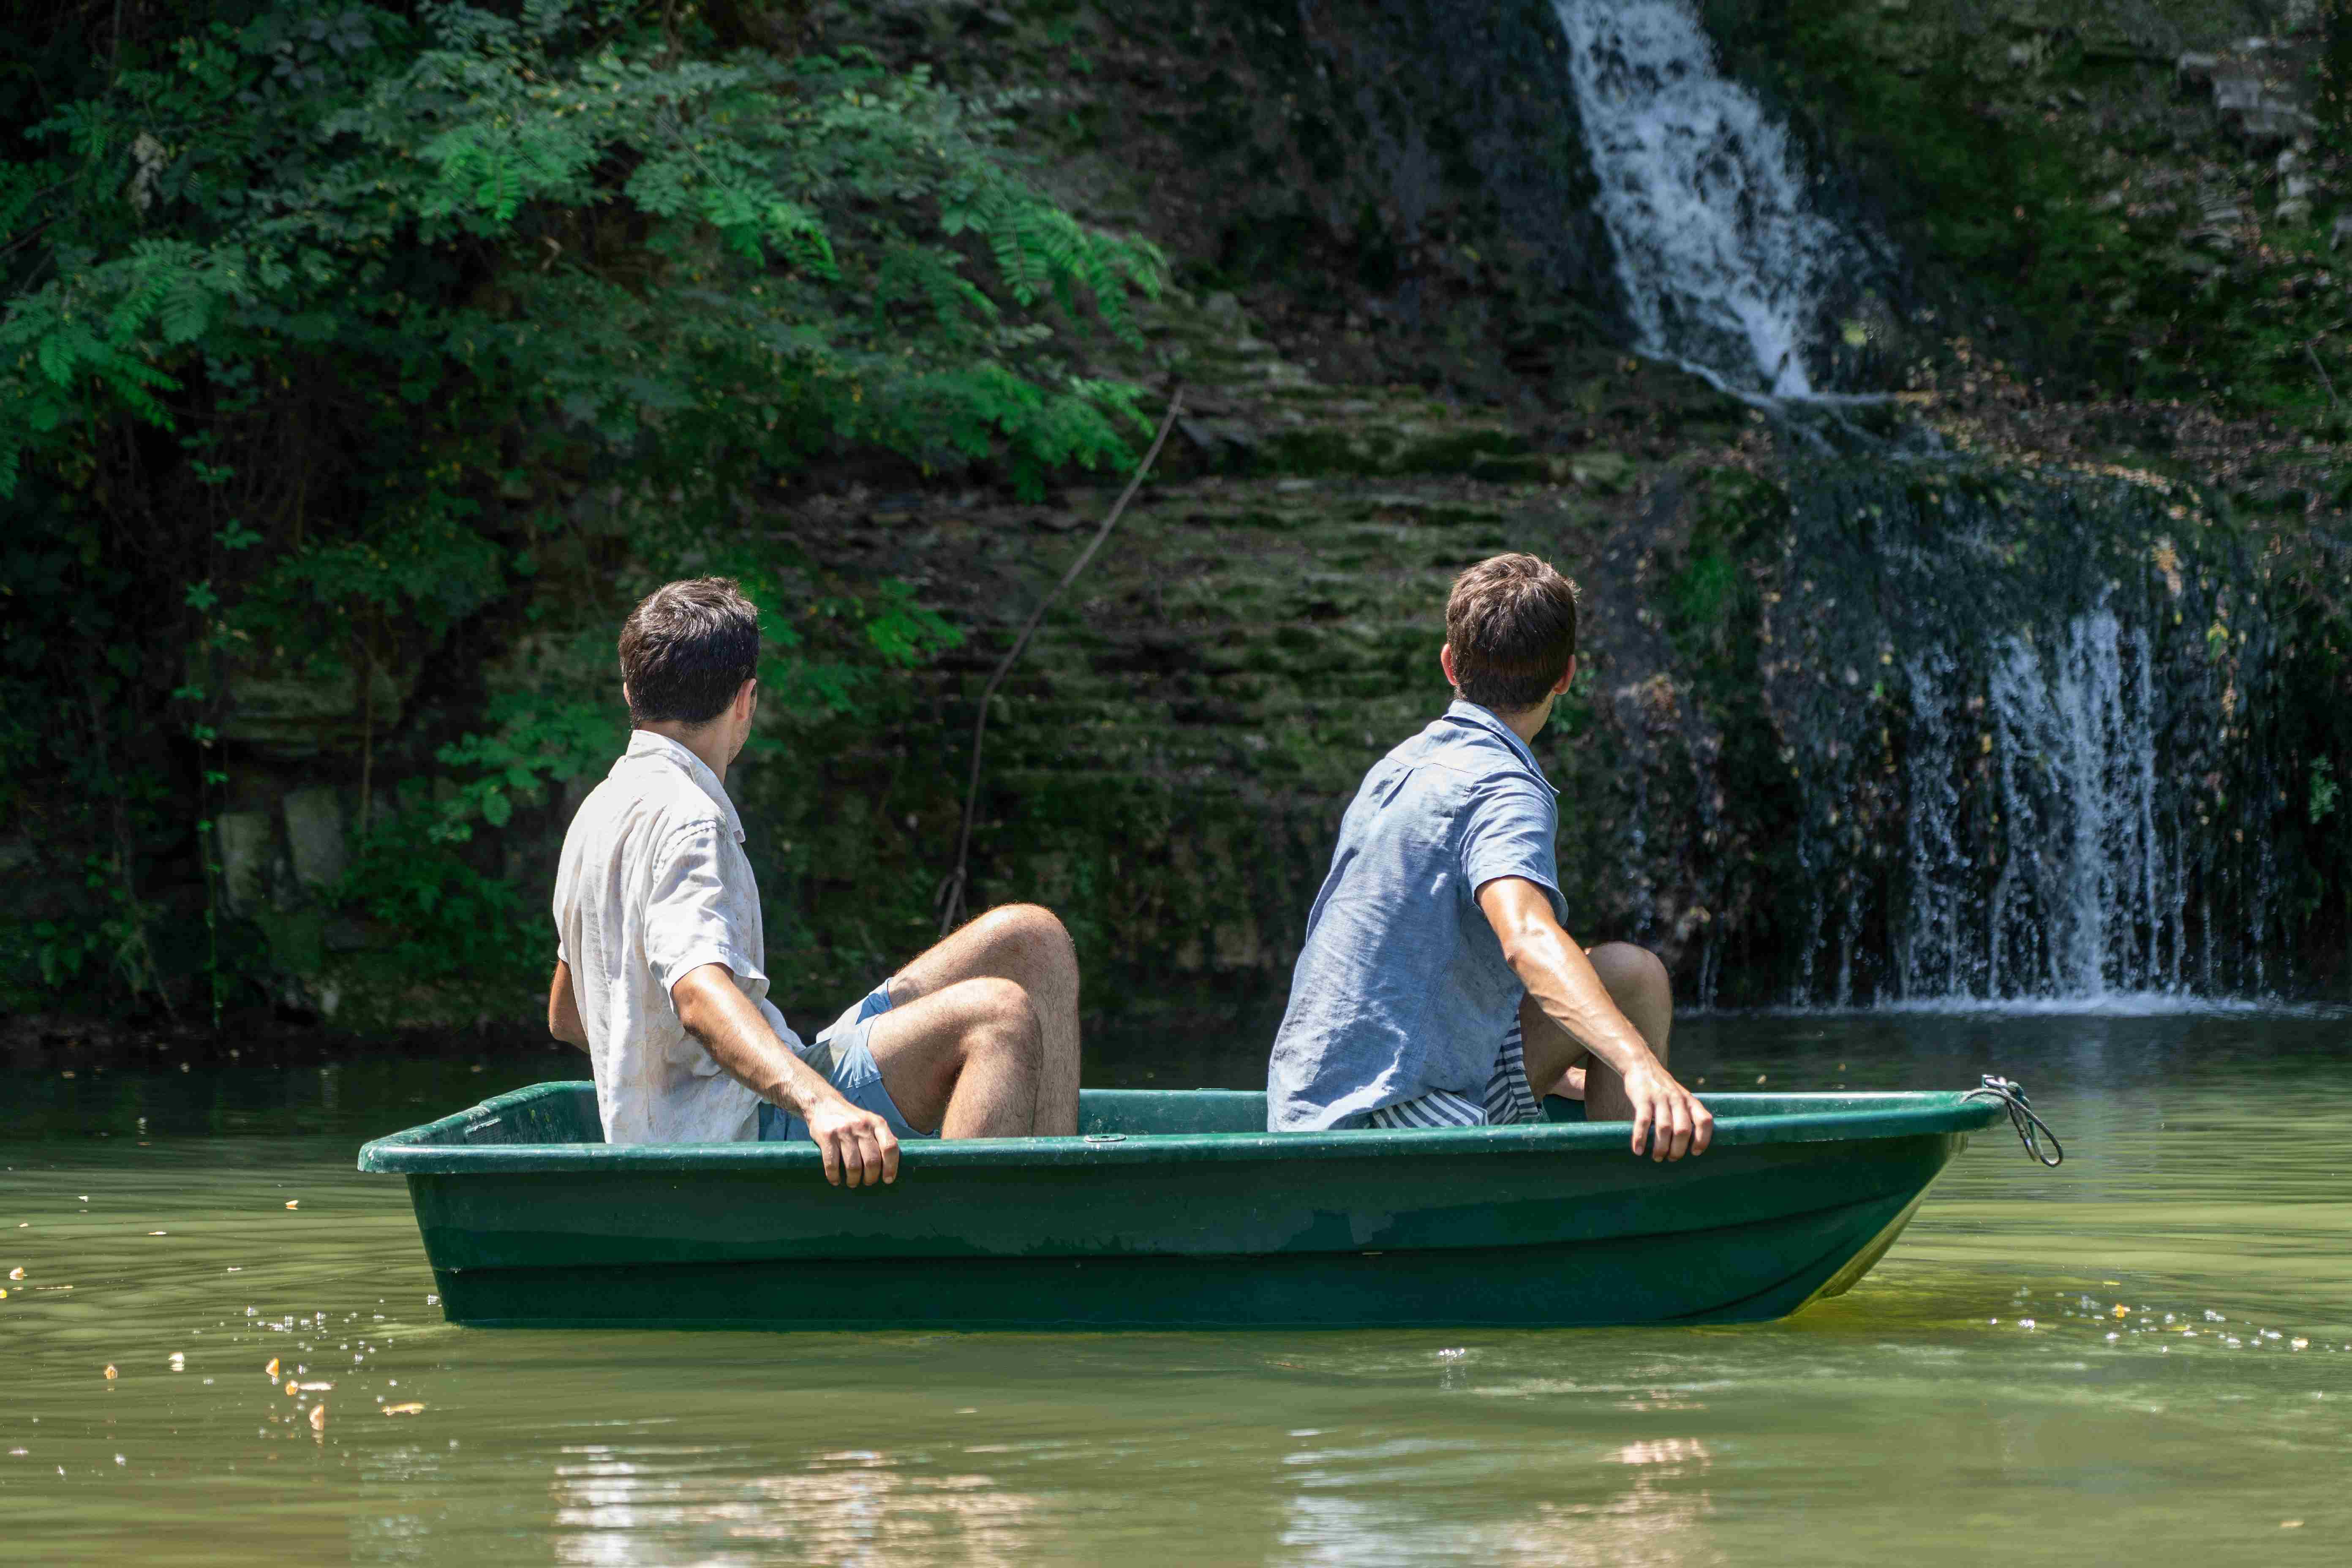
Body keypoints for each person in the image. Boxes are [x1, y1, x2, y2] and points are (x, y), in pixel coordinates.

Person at [547, 577, 1081, 1185]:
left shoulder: (599, 812)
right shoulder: (689, 820)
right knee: (1000, 1015)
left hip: (765, 1085)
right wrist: (818, 1101)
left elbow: (568, 1016)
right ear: (746, 700)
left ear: (629, 693)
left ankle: (1054, 1210)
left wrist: (652, 1063)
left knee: (1032, 939)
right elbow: (697, 993)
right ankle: (960, 1263)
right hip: (740, 1134)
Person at [1266, 553, 1712, 1160]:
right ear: (1566, 677)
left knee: (1629, 976)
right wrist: (1637, 1065)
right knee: (1634, 985)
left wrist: (1556, 1065)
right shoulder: (1504, 789)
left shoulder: (1400, 767)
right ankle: (1625, 1220)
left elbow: (1397, 953)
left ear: (1451, 666)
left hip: (1303, 1103)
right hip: (1383, 1126)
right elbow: (1526, 935)